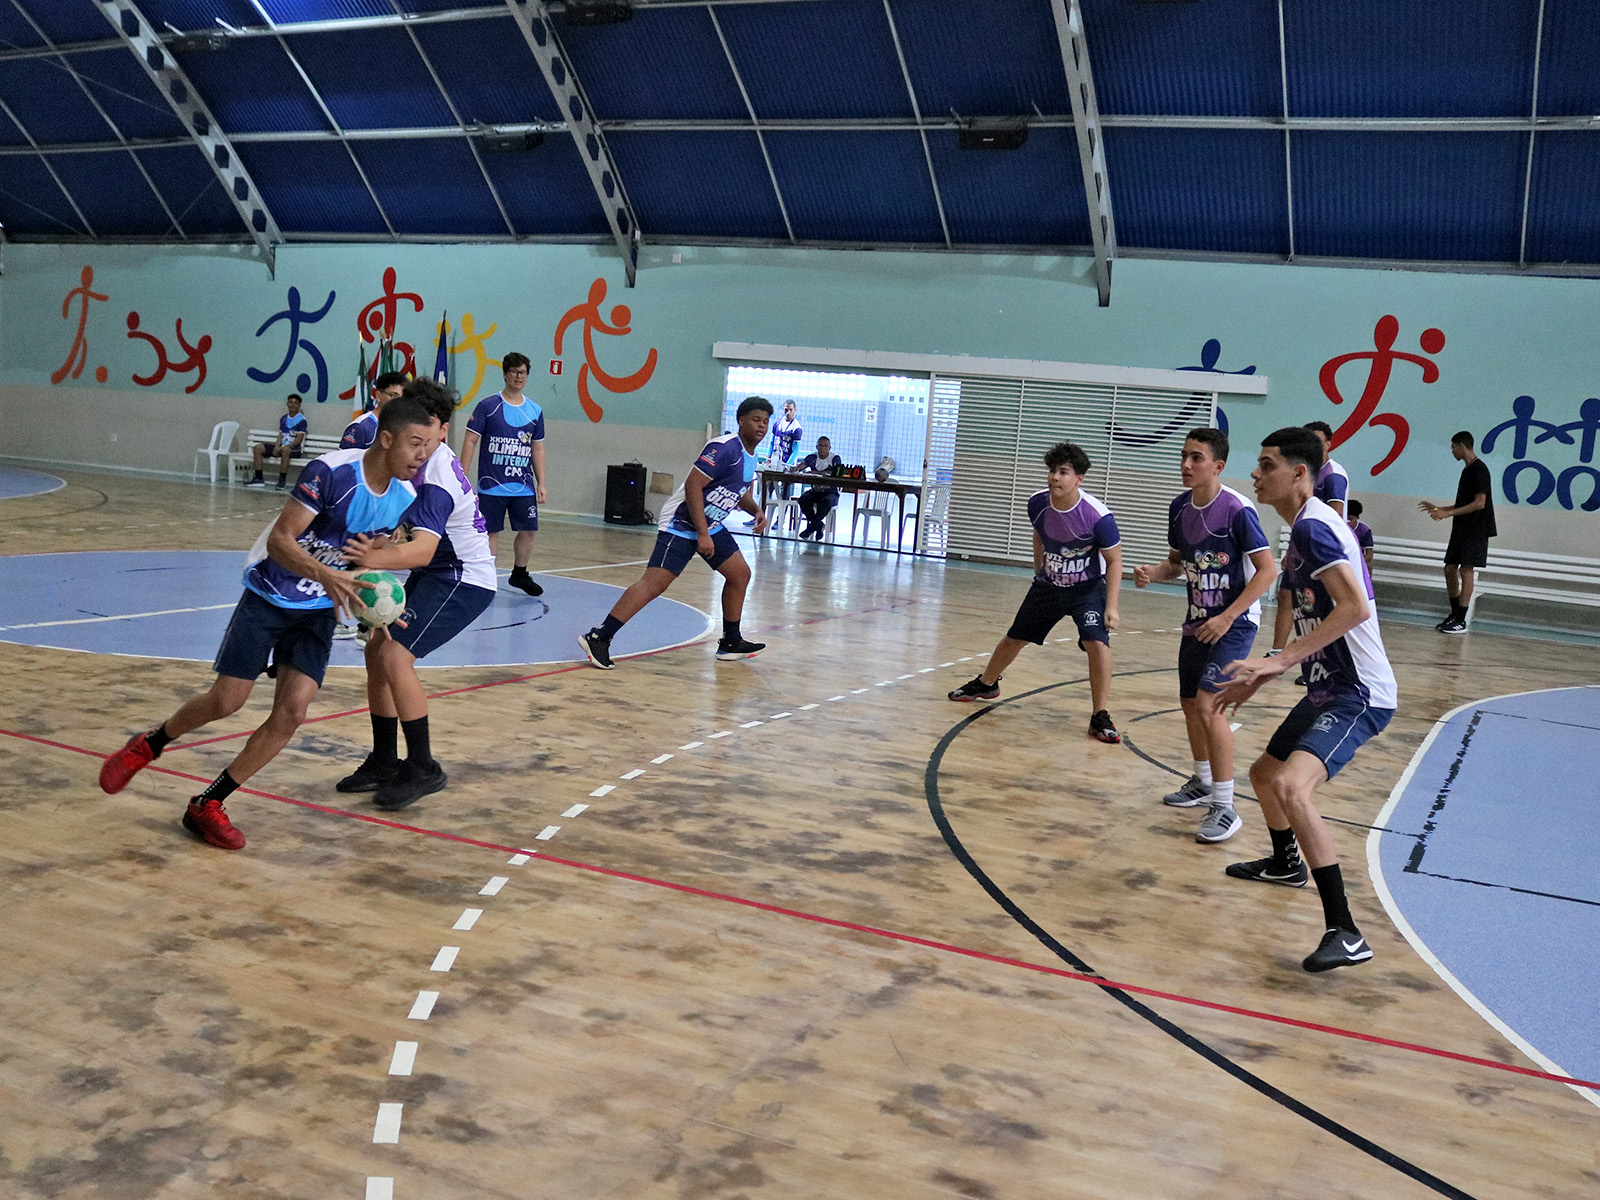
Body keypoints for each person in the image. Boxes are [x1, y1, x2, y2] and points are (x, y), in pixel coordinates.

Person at [98, 396, 441, 850]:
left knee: (293, 711)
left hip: (317, 610)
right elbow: (281, 541)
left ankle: (208, 803)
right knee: (227, 700)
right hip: (270, 593)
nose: (423, 454)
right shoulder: (330, 473)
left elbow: (361, 555)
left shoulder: (404, 496)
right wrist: (327, 575)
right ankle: (150, 743)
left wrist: (373, 605)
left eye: (429, 445)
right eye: (415, 443)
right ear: (386, 439)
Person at [1212, 426, 1397, 973]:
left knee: (1292, 787)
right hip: (1326, 687)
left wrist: (1279, 660)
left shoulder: (1316, 527)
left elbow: (1355, 608)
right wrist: (1269, 672)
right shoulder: (1301, 531)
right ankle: (1284, 864)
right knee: (1264, 774)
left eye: (1267, 464)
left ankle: (1346, 930)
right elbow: (1318, 620)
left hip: (1358, 692)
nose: (1255, 473)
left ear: (1299, 473)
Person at [336, 379, 498, 810]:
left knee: (395, 656)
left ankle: (424, 766)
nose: (421, 444)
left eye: (430, 433)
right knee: (377, 649)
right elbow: (392, 525)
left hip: (463, 579)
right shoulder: (409, 462)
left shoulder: (435, 475)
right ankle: (384, 760)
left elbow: (423, 550)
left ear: (441, 430)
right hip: (437, 573)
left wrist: (369, 559)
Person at [1132, 429, 1278, 843]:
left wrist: (1228, 617)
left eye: (1196, 457)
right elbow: (1177, 564)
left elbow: (1268, 571)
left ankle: (1225, 806)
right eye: (1184, 456)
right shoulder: (1179, 508)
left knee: (1208, 704)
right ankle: (1202, 781)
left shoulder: (1237, 509)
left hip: (1235, 623)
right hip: (1197, 621)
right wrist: (1153, 572)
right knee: (1189, 703)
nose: (1186, 464)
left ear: (1218, 466)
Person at [947, 441, 1123, 745]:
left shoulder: (1098, 517)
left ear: (1078, 478)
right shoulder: (1037, 503)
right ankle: (987, 684)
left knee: (1097, 643)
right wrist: (1039, 568)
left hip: (1087, 588)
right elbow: (1039, 535)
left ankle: (1100, 714)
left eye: (1063, 472)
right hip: (1049, 586)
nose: (1055, 477)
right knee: (1015, 637)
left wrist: (1112, 607)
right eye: (1052, 471)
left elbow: (1115, 561)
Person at [578, 397, 773, 669]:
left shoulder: (751, 456)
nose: (761, 425)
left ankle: (730, 642)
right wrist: (702, 533)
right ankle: (599, 636)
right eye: (756, 420)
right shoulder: (724, 447)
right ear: (741, 420)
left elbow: (735, 491)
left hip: (710, 524)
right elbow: (694, 486)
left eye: (765, 421)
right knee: (654, 584)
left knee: (740, 574)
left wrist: (756, 510)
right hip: (682, 522)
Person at [460, 353, 546, 598]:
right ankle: (486, 579)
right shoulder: (488, 406)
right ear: (505, 374)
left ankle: (520, 573)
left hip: (523, 485)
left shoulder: (534, 411)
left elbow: (537, 448)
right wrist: (461, 476)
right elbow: (470, 440)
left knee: (529, 530)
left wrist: (542, 483)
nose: (519, 377)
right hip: (491, 485)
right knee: (490, 533)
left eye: (523, 373)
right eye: (514, 372)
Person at [1271, 421, 1350, 671]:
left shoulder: (1333, 475)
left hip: (1322, 550)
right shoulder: (1305, 473)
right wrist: (1293, 548)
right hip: (1302, 546)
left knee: (1317, 605)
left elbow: (1333, 516)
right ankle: (1277, 651)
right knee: (1286, 594)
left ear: (1329, 444)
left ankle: (1318, 660)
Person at [1419, 431, 1496, 634]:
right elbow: (1464, 503)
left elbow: (1480, 503)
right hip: (1462, 528)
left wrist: (1448, 513)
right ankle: (1454, 614)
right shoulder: (1467, 470)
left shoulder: (1480, 469)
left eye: (1454, 447)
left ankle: (1461, 619)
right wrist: (1441, 509)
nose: (1452, 451)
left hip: (1476, 528)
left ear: (1462, 446)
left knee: (1466, 570)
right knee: (1449, 568)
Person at [246, 393, 308, 489]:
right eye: (290, 402)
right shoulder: (283, 418)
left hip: (294, 449)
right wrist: (276, 447)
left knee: (285, 450)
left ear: (299, 405)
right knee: (258, 448)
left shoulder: (302, 421)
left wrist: (285, 447)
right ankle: (258, 478)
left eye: (295, 403)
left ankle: (282, 480)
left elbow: (299, 439)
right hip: (282, 447)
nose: (292, 405)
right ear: (287, 404)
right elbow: (280, 435)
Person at [339, 371, 409, 450]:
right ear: (379, 396)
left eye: (402, 398)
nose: (398, 401)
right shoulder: (361, 427)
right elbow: (345, 457)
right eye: (394, 396)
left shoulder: (402, 426)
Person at [796, 435, 841, 541]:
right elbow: (800, 467)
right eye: (820, 446)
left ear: (829, 448)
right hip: (815, 491)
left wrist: (815, 472)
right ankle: (818, 525)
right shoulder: (812, 458)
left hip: (830, 492)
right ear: (817, 447)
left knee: (826, 502)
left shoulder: (835, 459)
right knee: (803, 499)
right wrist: (794, 469)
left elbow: (836, 473)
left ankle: (811, 528)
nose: (823, 448)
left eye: (825, 446)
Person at [769, 400, 804, 499]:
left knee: (785, 488)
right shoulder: (777, 424)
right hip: (775, 461)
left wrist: (787, 466)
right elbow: (771, 442)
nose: (788, 412)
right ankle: (764, 507)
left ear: (795, 410)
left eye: (790, 410)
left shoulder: (796, 428)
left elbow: (795, 451)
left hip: (787, 462)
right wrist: (768, 459)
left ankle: (783, 508)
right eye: (786, 410)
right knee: (769, 486)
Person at [1346, 498, 1375, 570]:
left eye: (1350, 519)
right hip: (1342, 560)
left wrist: (1357, 562)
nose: (1347, 522)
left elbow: (1369, 554)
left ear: (1358, 517)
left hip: (1358, 560)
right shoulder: (1339, 527)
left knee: (1368, 567)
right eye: (1345, 519)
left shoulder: (1365, 530)